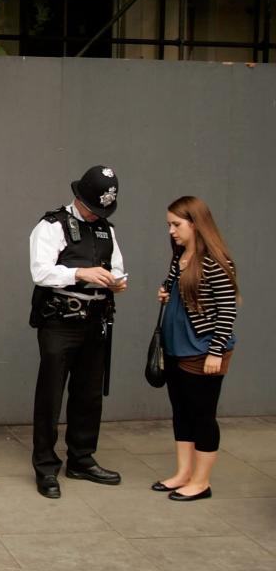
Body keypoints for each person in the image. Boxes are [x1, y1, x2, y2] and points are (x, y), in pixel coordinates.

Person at [28, 165, 128, 499]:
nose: (96, 214)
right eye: (92, 207)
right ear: (78, 197)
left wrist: (116, 280)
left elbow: (117, 267)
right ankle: (45, 467)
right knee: (51, 395)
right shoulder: (52, 225)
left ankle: (81, 459)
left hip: (96, 318)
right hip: (60, 320)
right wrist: (80, 274)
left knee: (88, 394)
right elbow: (41, 272)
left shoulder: (106, 230)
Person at [152, 196, 238, 501]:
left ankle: (201, 482)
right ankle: (183, 474)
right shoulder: (180, 256)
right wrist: (167, 293)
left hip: (202, 352)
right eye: (169, 225)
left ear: (195, 223)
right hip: (177, 349)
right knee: (181, 413)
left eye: (176, 224)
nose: (171, 231)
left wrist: (216, 351)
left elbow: (227, 310)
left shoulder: (215, 261)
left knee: (202, 416)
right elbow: (185, 294)